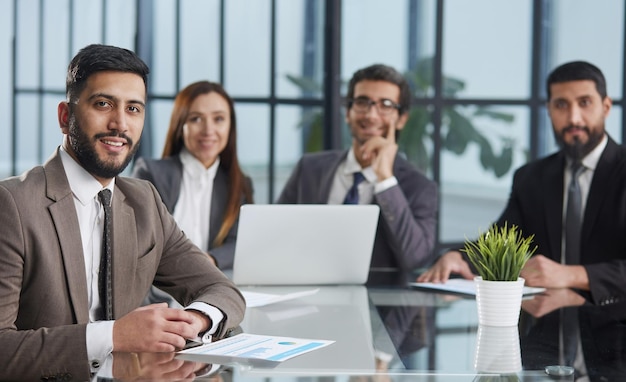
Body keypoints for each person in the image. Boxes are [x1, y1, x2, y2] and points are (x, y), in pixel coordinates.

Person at [0, 44, 245, 381]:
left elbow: (223, 290)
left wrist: (197, 319)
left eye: (133, 109)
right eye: (103, 104)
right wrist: (114, 336)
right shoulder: (11, 204)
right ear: (65, 116)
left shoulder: (144, 200)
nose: (119, 124)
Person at [417, 61, 626, 306]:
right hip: (547, 324)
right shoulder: (532, 178)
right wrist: (457, 257)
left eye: (584, 103)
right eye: (561, 105)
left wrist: (572, 275)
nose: (573, 118)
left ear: (606, 107)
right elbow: (500, 240)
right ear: (549, 109)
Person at [277, 63, 438, 285]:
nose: (371, 115)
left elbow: (415, 258)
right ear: (348, 112)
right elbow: (276, 234)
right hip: (306, 297)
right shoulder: (309, 169)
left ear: (401, 119)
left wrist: (385, 179)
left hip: (378, 310)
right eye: (363, 103)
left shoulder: (420, 187)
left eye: (386, 105)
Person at [132, 81, 253, 270]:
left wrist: (209, 260)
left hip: (210, 290)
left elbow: (240, 243)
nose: (208, 130)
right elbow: (141, 245)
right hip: (159, 293)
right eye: (196, 119)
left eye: (219, 119)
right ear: (181, 125)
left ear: (230, 127)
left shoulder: (238, 184)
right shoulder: (151, 174)